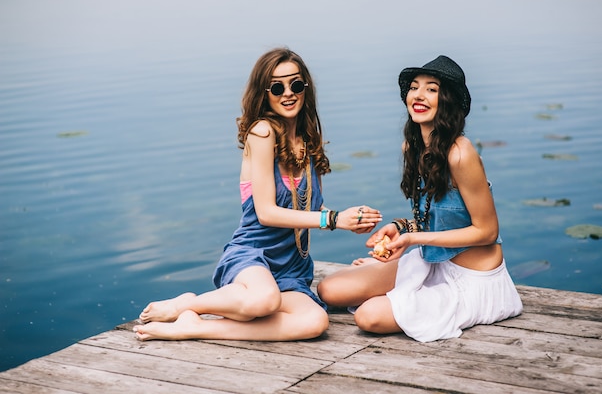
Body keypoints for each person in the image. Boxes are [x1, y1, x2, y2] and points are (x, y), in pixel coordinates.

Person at [133, 48, 382, 342]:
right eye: (278, 87)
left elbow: (305, 206)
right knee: (264, 301)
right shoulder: (262, 133)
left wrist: (352, 219)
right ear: (264, 93)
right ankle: (190, 303)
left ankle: (196, 327)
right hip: (253, 256)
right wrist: (332, 219)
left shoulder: (307, 139)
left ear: (306, 88)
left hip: (292, 267)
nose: (288, 93)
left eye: (296, 84)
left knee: (314, 321)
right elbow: (266, 212)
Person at [317, 55, 522, 342]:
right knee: (329, 290)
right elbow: (437, 216)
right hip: (433, 261)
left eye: (432, 89)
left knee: (368, 316)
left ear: (447, 100)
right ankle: (398, 284)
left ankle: (401, 291)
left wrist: (414, 241)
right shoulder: (412, 148)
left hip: (473, 279)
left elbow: (487, 232)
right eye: (414, 87)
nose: (419, 95)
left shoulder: (460, 153)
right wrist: (401, 228)